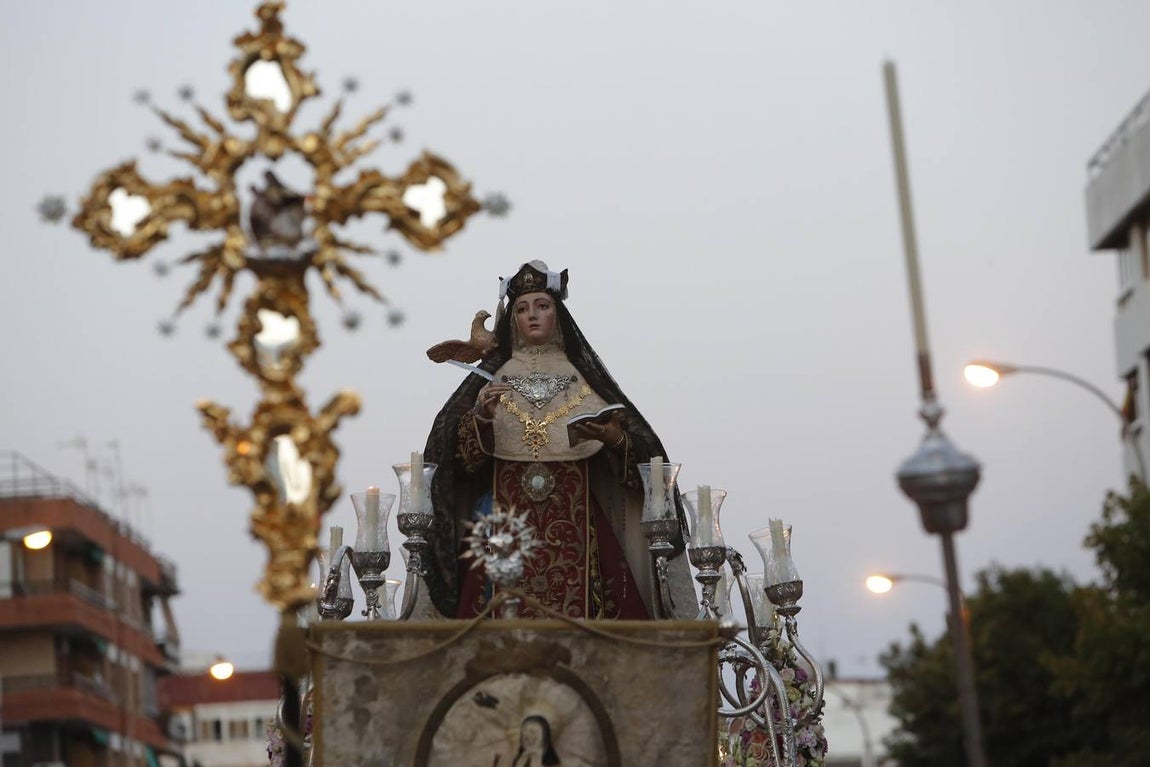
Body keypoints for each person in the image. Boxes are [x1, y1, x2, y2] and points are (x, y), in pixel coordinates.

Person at [423, 261, 695, 619]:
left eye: (542, 306)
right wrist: (482, 419)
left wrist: (614, 440)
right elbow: (456, 466)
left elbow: (641, 472)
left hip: (577, 529)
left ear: (558, 314)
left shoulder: (582, 378)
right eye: (522, 309)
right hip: (503, 524)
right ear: (513, 321)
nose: (532, 315)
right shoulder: (491, 380)